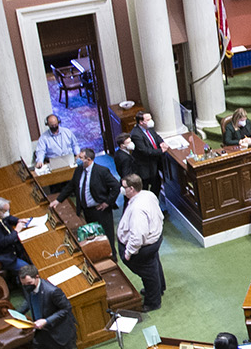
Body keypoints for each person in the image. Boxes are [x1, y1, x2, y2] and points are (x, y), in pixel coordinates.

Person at [116, 174, 164, 313]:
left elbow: (138, 236)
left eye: (124, 187)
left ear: (131, 188)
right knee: (154, 265)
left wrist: (129, 253)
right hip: (154, 239)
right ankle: (158, 289)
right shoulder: (148, 194)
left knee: (147, 272)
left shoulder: (137, 209)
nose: (122, 189)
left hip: (143, 247)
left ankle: (153, 302)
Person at [59, 147, 121, 246]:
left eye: (81, 158)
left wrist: (107, 202)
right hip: (86, 211)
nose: (78, 159)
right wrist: (58, 200)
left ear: (88, 159)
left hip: (101, 211)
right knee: (94, 238)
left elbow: (116, 186)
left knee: (107, 239)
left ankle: (113, 257)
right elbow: (71, 186)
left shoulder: (102, 171)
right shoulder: (79, 170)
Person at [129, 112, 169, 193]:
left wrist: (161, 142)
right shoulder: (136, 134)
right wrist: (161, 151)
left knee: (157, 184)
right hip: (145, 167)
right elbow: (145, 151)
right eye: (148, 119)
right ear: (141, 122)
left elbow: (156, 136)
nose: (151, 121)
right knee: (145, 188)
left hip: (154, 162)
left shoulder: (149, 127)